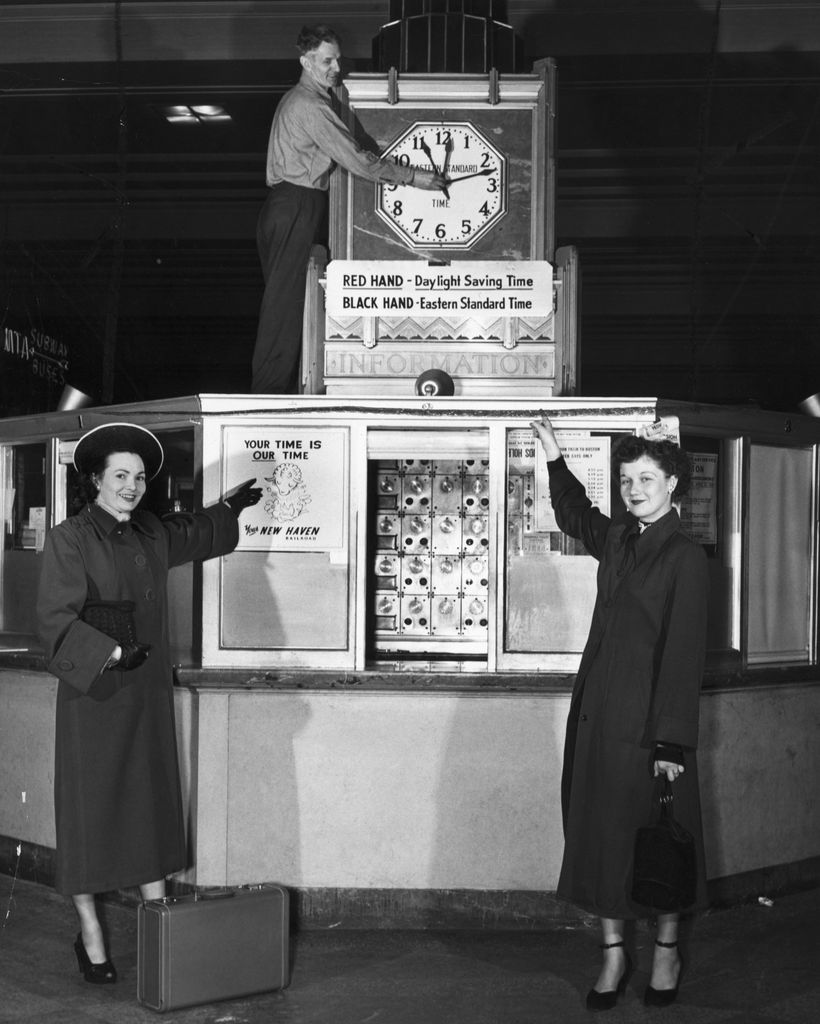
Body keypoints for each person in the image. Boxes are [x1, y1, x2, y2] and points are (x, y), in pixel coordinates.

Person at [36, 422, 261, 983]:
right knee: (92, 817)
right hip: (95, 699)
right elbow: (54, 622)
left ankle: (159, 925)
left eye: (138, 477)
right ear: (95, 480)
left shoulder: (150, 534)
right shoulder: (69, 538)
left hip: (146, 698)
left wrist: (232, 507)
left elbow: (196, 531)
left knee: (149, 813)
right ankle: (90, 935)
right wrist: (109, 653)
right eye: (120, 475)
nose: (131, 486)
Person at [531, 416, 708, 1011]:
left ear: (673, 485)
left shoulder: (685, 558)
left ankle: (665, 949)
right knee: (602, 839)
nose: (635, 489)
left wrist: (670, 744)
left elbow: (683, 656)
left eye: (648, 478)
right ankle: (612, 953)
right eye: (628, 479)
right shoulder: (617, 540)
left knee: (656, 841)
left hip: (650, 730)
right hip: (598, 717)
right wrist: (554, 455)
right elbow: (575, 512)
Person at [253, 24, 448, 394]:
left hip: (283, 207)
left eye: (337, 60)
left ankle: (272, 393)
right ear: (305, 62)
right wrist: (414, 178)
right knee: (285, 309)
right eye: (328, 61)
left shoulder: (295, 99)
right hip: (296, 204)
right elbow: (359, 161)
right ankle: (269, 398)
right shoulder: (310, 106)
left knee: (284, 304)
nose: (336, 68)